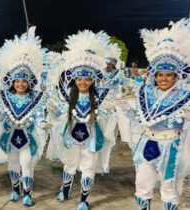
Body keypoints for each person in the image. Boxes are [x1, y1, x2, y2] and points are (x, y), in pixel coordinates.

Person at [118, 18, 190, 210]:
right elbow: (141, 119)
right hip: (147, 144)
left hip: (172, 147)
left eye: (168, 75)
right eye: (159, 74)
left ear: (176, 76)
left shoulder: (186, 96)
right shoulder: (145, 93)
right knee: (142, 185)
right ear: (154, 75)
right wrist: (128, 109)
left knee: (170, 189)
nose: (163, 78)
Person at [47, 30, 115, 210]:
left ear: (92, 80)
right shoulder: (68, 95)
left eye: (87, 79)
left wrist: (107, 110)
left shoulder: (101, 96)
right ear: (74, 79)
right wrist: (55, 107)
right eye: (79, 78)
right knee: (69, 165)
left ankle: (84, 200)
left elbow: (109, 112)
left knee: (88, 167)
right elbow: (60, 110)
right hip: (71, 135)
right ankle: (66, 190)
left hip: (91, 137)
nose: (83, 82)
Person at [0, 27, 51, 207]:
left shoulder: (36, 97)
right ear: (12, 82)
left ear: (29, 82)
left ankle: (27, 193)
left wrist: (43, 122)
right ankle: (15, 190)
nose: (21, 84)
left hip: (27, 136)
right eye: (17, 81)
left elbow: (39, 114)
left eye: (24, 81)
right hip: (10, 136)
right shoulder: (4, 96)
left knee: (27, 164)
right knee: (13, 165)